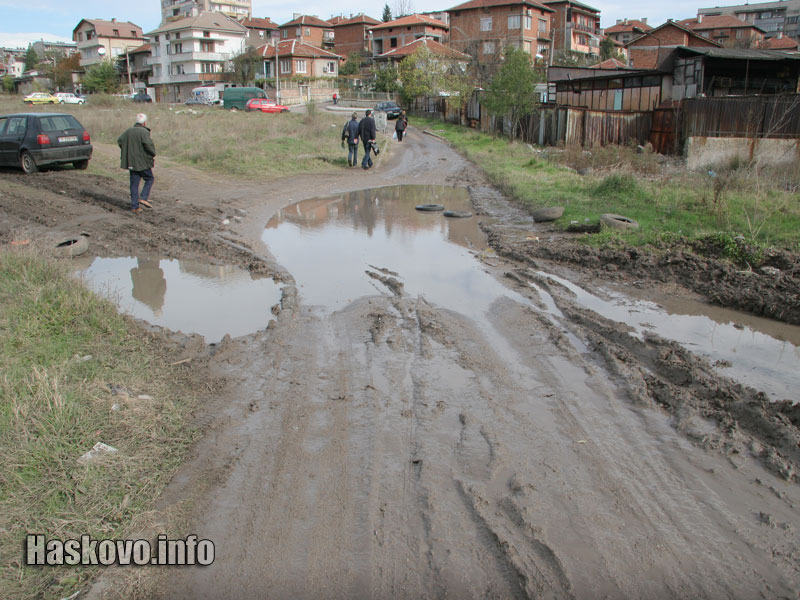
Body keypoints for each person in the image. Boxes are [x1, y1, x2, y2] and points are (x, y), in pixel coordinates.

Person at [118, 113, 156, 213]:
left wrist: (127, 150)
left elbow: (120, 141)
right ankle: (143, 197)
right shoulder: (144, 132)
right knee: (149, 178)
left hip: (131, 162)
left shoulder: (128, 131)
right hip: (142, 162)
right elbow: (148, 145)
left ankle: (134, 207)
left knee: (134, 184)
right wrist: (153, 153)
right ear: (144, 122)